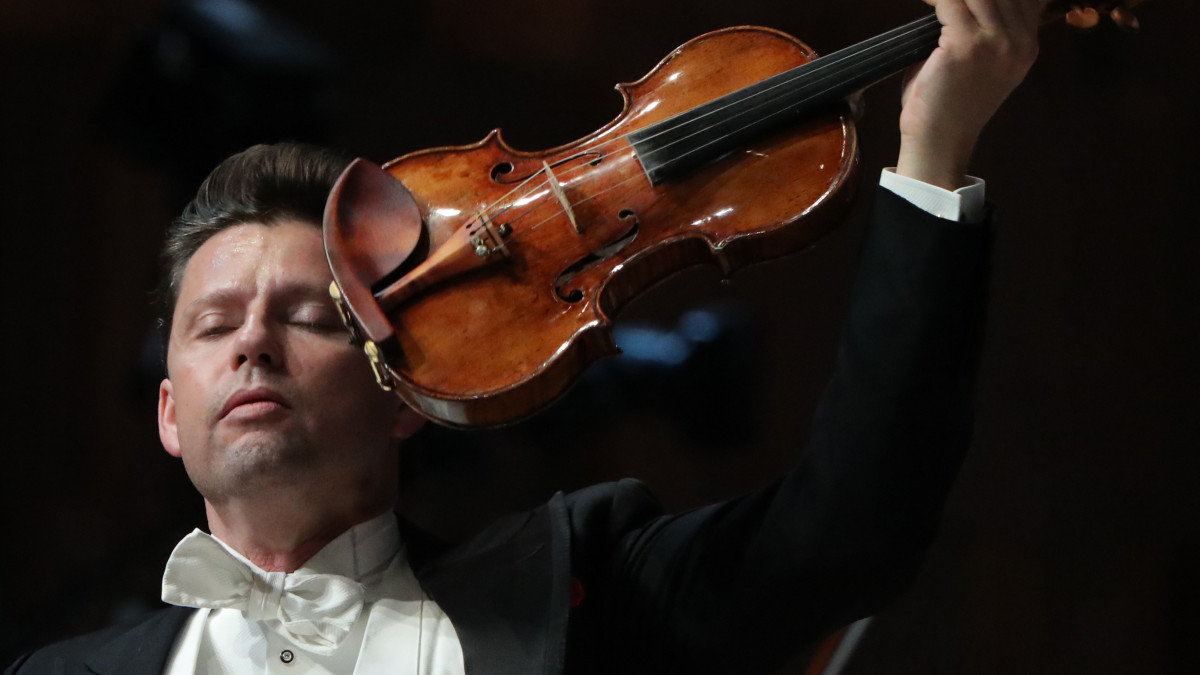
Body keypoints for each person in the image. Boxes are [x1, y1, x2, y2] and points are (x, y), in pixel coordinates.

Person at [6, 0, 1041, 672]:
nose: (254, 344)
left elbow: (852, 527)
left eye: (314, 314)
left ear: (399, 389)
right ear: (168, 414)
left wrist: (934, 152)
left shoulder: (582, 584)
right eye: (214, 324)